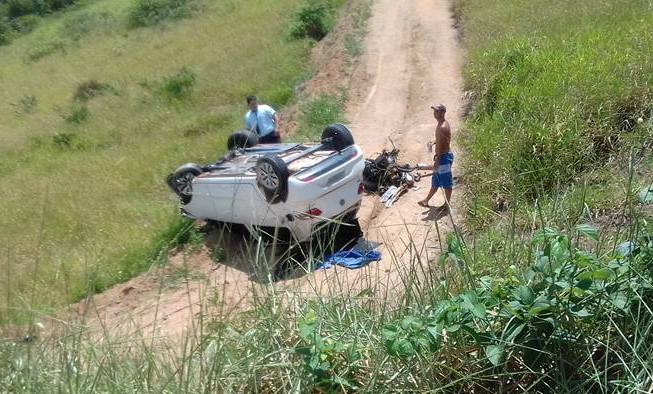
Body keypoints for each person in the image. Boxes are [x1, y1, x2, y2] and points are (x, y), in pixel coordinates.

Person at [418, 104, 454, 209]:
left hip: (443, 158)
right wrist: (434, 142)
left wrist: (437, 160)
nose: (435, 113)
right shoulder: (442, 124)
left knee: (447, 182)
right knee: (436, 180)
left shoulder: (442, 127)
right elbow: (442, 140)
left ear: (443, 113)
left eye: (437, 111)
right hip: (443, 156)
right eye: (434, 111)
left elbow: (441, 147)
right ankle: (426, 201)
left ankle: (447, 205)